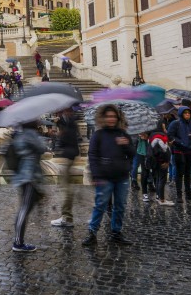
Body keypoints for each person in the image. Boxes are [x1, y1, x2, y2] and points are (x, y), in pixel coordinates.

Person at [82, 104, 135, 247]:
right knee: (100, 205)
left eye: (114, 116)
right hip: (104, 177)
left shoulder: (123, 134)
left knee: (120, 206)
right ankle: (92, 233)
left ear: (118, 118)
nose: (111, 119)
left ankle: (116, 233)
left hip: (122, 176)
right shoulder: (98, 135)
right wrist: (96, 175)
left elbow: (132, 153)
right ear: (103, 118)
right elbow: (92, 155)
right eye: (108, 116)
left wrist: (125, 145)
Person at [9, 118, 48, 253]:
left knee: (25, 207)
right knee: (24, 209)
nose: (38, 120)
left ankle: (18, 241)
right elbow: (42, 148)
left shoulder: (19, 133)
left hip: (24, 175)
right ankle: (18, 243)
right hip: (29, 176)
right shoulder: (30, 134)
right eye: (36, 118)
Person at [50, 110, 79, 228]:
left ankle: (66, 217)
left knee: (67, 189)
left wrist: (59, 133)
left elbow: (69, 137)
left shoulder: (70, 121)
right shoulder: (68, 120)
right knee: (66, 187)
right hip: (69, 155)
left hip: (68, 156)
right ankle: (67, 216)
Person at [168, 106, 191, 202]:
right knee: (179, 174)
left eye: (188, 113)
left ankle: (188, 194)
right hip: (179, 151)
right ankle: (179, 195)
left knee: (188, 173)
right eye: (185, 113)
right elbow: (170, 136)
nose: (187, 115)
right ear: (181, 114)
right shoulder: (175, 124)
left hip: (190, 151)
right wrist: (181, 143)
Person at [147, 122, 174, 206]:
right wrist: (166, 161)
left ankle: (159, 197)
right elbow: (163, 150)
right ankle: (162, 199)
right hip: (161, 161)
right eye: (163, 125)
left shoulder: (152, 135)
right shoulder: (160, 136)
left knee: (158, 179)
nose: (164, 126)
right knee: (162, 179)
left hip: (155, 161)